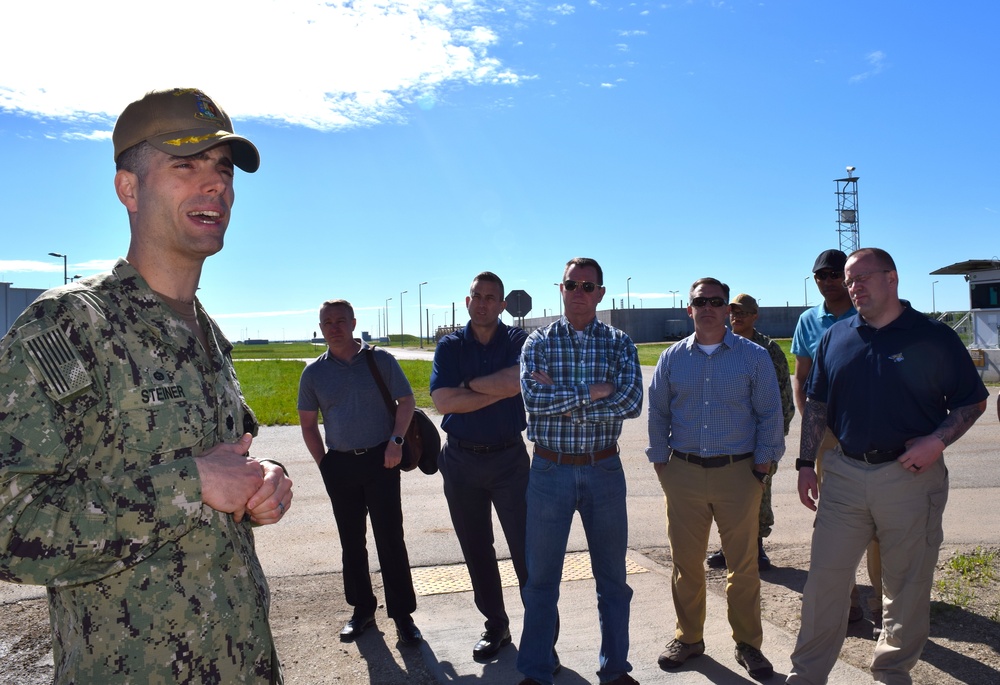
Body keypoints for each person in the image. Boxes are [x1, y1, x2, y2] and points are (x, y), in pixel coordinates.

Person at [0, 88, 293, 683]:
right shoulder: (69, 326)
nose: (215, 185)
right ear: (128, 188)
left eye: (223, 169)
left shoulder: (206, 332)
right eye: (186, 165)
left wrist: (260, 484)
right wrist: (191, 484)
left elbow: (214, 466)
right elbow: (9, 527)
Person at [787, 248, 988, 684]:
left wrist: (936, 441)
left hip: (911, 478)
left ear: (892, 278)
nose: (853, 286)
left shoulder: (933, 337)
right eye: (849, 280)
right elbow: (818, 404)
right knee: (825, 582)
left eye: (862, 278)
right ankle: (806, 676)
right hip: (842, 473)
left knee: (905, 586)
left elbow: (973, 401)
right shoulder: (835, 338)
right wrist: (805, 463)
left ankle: (892, 673)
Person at [647, 278, 785, 680]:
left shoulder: (753, 357)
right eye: (699, 301)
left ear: (728, 309)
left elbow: (770, 415)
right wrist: (661, 463)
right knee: (685, 565)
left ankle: (748, 645)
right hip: (683, 472)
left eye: (716, 301)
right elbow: (658, 414)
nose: (707, 306)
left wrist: (762, 467)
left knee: (743, 567)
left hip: (738, 473)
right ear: (688, 309)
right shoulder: (672, 358)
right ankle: (688, 637)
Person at [517, 257, 643, 685]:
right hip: (550, 470)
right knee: (541, 581)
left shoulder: (620, 343)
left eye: (589, 287)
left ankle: (614, 669)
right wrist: (596, 391)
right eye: (572, 284)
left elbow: (630, 403)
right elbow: (535, 402)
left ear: (601, 294)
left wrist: (565, 396)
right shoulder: (537, 343)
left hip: (604, 469)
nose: (579, 292)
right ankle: (535, 670)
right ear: (561, 288)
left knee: (613, 579)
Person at [297, 299, 421, 645]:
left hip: (383, 460)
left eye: (340, 320)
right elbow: (307, 425)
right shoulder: (314, 373)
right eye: (327, 322)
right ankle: (362, 610)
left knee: (390, 539)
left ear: (353, 323)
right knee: (352, 543)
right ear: (320, 328)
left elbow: (407, 401)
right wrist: (325, 464)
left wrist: (396, 441)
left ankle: (403, 615)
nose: (334, 327)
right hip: (340, 464)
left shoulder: (379, 360)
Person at [429, 271, 530, 661]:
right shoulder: (450, 346)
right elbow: (443, 402)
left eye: (492, 297)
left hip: (510, 460)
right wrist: (497, 388)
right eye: (478, 296)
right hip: (461, 461)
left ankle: (540, 637)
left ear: (502, 305)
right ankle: (496, 626)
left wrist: (468, 385)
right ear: (467, 301)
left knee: (526, 550)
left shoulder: (520, 340)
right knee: (476, 548)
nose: (485, 302)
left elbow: (519, 381)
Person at [791, 249, 875, 625]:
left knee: (876, 520)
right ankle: (850, 599)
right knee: (835, 519)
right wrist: (811, 422)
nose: (828, 281)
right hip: (827, 437)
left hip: (871, 432)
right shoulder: (808, 320)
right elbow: (802, 376)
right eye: (821, 275)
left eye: (835, 274)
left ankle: (885, 607)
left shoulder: (868, 312)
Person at [706, 292, 794, 572]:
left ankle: (756, 548)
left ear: (755, 316)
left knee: (758, 494)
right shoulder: (720, 344)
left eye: (743, 312)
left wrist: (773, 439)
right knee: (725, 495)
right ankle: (728, 545)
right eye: (733, 312)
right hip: (728, 438)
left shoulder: (768, 349)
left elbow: (783, 399)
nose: (736, 317)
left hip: (760, 438)